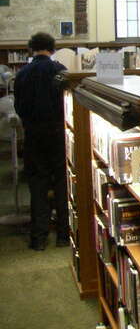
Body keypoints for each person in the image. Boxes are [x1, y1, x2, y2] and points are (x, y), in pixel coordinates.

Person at [14, 32, 68, 250]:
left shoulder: (22, 73)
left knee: (37, 184)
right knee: (62, 182)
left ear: (31, 49)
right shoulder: (60, 70)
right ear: (52, 48)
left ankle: (38, 238)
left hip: (33, 134)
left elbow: (19, 106)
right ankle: (65, 235)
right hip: (58, 133)